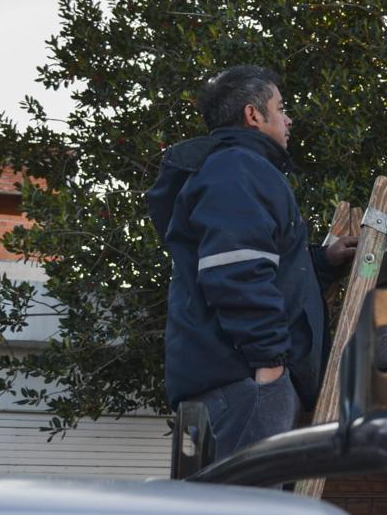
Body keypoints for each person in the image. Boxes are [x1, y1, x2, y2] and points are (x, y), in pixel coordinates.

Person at [147, 65, 356, 460]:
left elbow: (258, 262)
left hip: (240, 382)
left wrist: (322, 261)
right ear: (253, 115)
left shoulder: (231, 169)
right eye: (280, 107)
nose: (288, 117)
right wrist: (270, 367)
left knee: (235, 514)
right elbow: (236, 270)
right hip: (248, 383)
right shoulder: (238, 168)